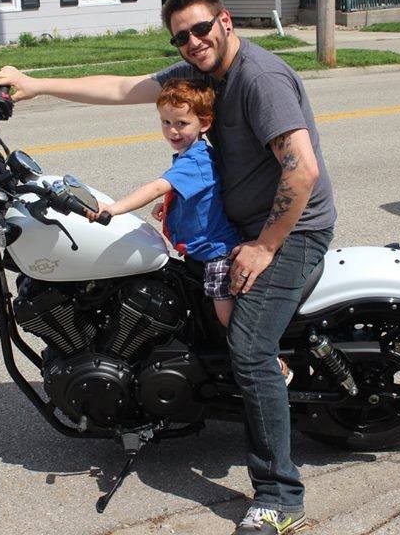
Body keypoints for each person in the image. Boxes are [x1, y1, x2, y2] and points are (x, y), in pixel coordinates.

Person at [0, 0, 336, 535]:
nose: (194, 41)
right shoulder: (202, 77)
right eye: (181, 35)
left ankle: (280, 493)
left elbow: (302, 172)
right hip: (233, 228)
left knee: (249, 350)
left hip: (289, 231)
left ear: (225, 21)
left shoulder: (259, 79)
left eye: (202, 29)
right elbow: (120, 87)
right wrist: (36, 85)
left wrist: (265, 245)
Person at [89, 78, 294, 384]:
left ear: (205, 122)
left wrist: (115, 208)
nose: (173, 130)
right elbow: (195, 195)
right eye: (166, 122)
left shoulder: (194, 160)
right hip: (203, 251)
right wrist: (169, 207)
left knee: (227, 314)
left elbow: (159, 185)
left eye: (182, 123)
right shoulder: (195, 154)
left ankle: (265, 359)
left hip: (216, 254)